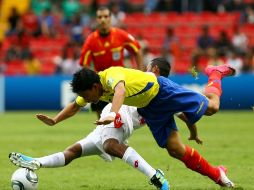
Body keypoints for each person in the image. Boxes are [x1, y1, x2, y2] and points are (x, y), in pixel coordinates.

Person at [67, 58, 236, 188]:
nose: (144, 69)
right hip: (149, 108)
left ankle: (215, 73)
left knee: (212, 107)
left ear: (155, 70)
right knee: (175, 149)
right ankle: (217, 174)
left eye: (148, 67)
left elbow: (182, 115)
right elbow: (183, 116)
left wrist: (112, 114)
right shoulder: (131, 84)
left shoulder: (151, 83)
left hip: (160, 96)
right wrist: (193, 132)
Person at [9, 106, 169, 190]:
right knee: (73, 151)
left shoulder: (157, 100)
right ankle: (37, 162)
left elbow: (176, 110)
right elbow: (78, 103)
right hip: (108, 125)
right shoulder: (135, 92)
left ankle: (154, 175)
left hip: (116, 128)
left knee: (111, 146)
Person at [79, 6, 144, 119]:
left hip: (119, 84)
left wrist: (140, 71)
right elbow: (85, 64)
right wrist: (94, 80)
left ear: (110, 18)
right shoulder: (90, 40)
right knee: (102, 121)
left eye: (105, 16)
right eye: (100, 17)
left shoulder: (121, 35)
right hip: (101, 86)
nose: (103, 19)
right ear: (96, 19)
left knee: (122, 119)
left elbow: (137, 50)